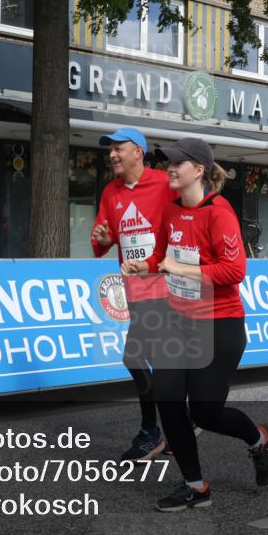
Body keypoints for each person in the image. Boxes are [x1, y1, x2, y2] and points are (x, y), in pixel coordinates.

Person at [123, 137, 268, 512]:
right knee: (168, 397)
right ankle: (195, 485)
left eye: (177, 163)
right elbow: (163, 254)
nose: (170, 169)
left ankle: (259, 440)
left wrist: (180, 269)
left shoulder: (219, 213)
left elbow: (235, 271)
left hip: (220, 324)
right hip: (178, 321)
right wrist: (146, 265)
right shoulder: (171, 211)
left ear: (198, 170)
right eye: (168, 163)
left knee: (206, 413)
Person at [90, 128, 178, 462]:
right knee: (157, 359)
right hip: (135, 289)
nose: (112, 155)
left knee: (135, 356)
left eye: (118, 149)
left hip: (166, 285)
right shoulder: (111, 192)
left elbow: (190, 216)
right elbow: (102, 240)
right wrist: (103, 237)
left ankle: (151, 432)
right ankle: (179, 423)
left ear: (138, 151)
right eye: (110, 150)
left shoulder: (164, 183)